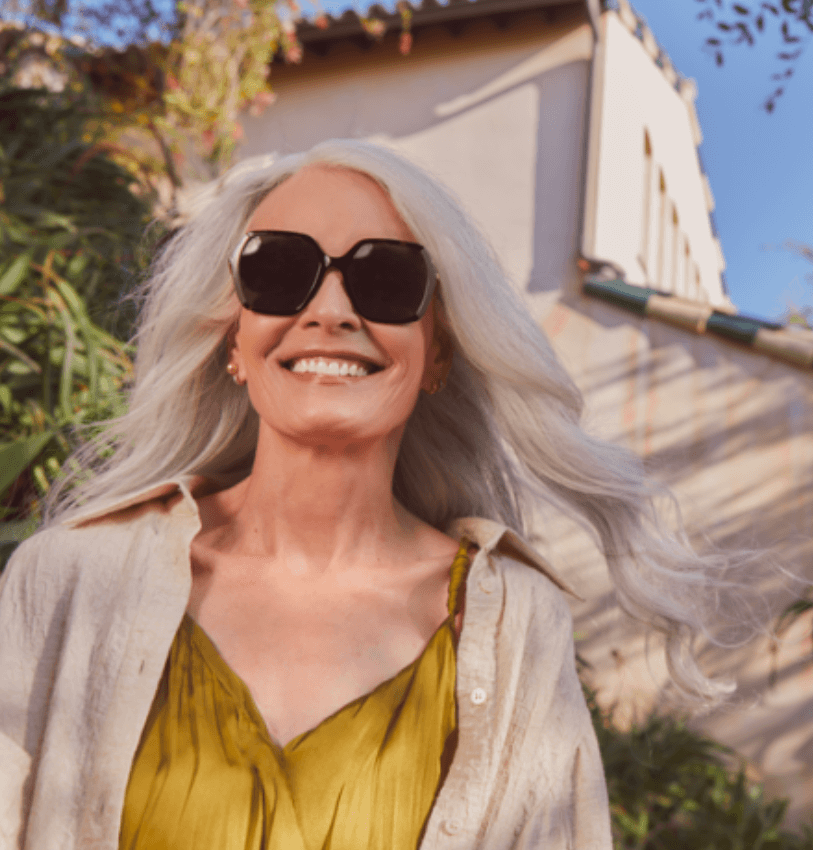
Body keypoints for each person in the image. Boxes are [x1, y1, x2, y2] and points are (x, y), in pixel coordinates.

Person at [0, 139, 757, 849]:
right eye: (278, 269)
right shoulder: (68, 579)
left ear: (438, 353)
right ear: (233, 340)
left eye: (387, 280)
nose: (329, 310)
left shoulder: (513, 622)